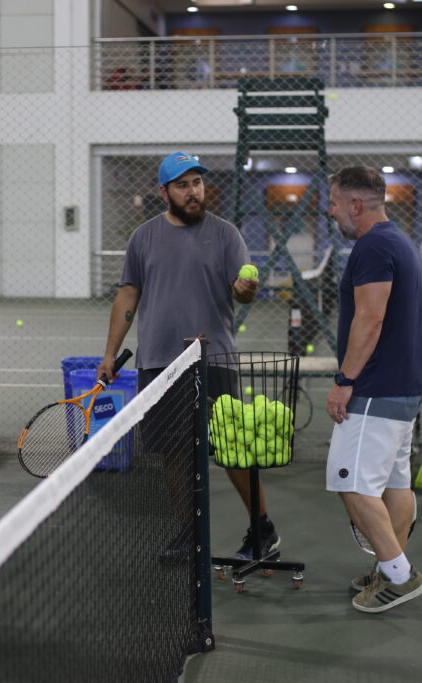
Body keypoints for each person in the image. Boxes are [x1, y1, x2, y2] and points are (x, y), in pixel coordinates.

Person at [96, 152, 279, 561]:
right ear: (164, 192)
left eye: (197, 182)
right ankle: (189, 532)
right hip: (159, 361)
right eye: (183, 185)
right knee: (173, 453)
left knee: (232, 448)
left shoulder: (226, 234)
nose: (193, 192)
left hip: (213, 360)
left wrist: (247, 290)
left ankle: (263, 528)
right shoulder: (143, 238)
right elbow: (128, 294)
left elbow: (241, 286)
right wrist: (109, 353)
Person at [324, 166, 422, 613]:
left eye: (333, 203)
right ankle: (390, 566)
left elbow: (369, 320)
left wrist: (344, 382)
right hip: (404, 386)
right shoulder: (397, 241)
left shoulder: (371, 247)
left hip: (375, 388)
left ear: (355, 204)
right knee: (394, 483)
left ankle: (399, 576)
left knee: (351, 484)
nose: (330, 212)